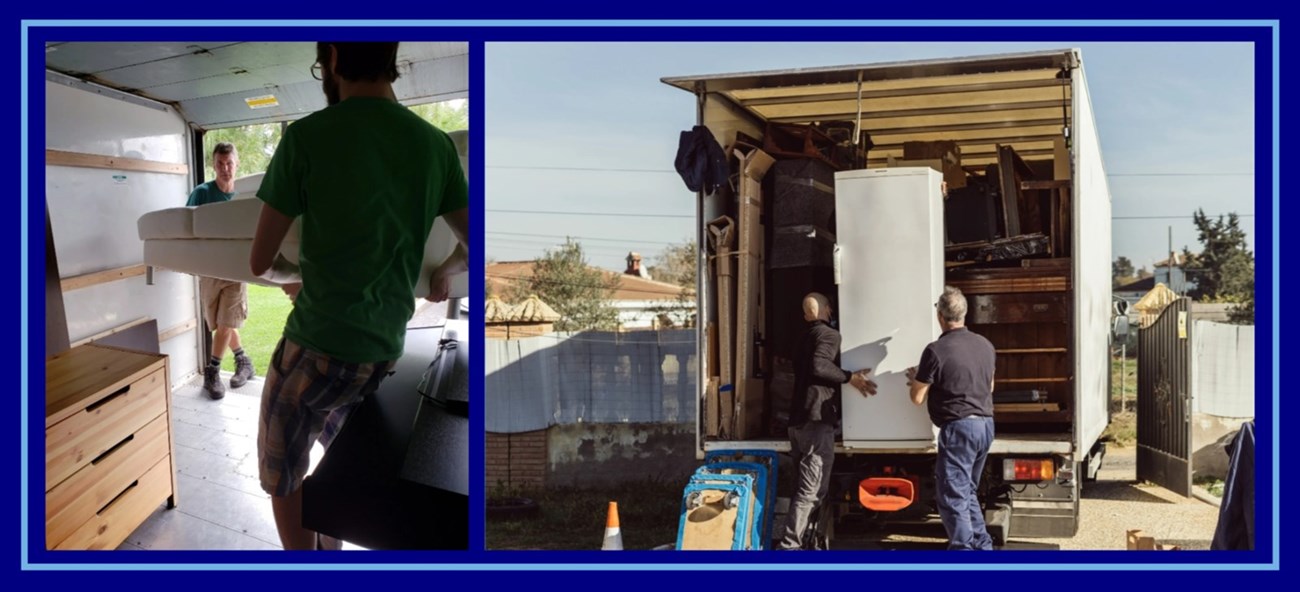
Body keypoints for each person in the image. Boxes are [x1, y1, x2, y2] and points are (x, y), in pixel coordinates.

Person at [248, 42, 469, 551]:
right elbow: (473, 243)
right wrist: (445, 271)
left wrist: (293, 277)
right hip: (381, 355)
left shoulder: (306, 138)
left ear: (334, 59)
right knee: (344, 448)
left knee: (281, 468)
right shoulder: (435, 146)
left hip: (313, 349)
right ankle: (331, 538)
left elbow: (261, 263)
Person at [775, 292, 876, 550]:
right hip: (815, 421)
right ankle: (790, 548)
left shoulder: (803, 337)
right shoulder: (829, 335)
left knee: (805, 487)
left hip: (797, 420)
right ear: (827, 310)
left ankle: (811, 543)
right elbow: (820, 366)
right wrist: (850, 377)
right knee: (812, 490)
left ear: (805, 313)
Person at [905, 285, 997, 550]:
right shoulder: (986, 345)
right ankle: (982, 547)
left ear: (940, 317)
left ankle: (962, 553)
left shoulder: (935, 350)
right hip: (986, 425)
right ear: (964, 314)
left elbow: (917, 398)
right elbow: (989, 387)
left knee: (952, 495)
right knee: (967, 490)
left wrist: (918, 380)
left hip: (959, 428)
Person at [186, 142, 255, 400]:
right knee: (217, 325)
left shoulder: (245, 196)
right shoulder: (202, 193)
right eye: (220, 164)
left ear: (237, 164)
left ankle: (212, 374)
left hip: (237, 269)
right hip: (209, 269)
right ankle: (243, 360)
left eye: (230, 163)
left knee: (226, 324)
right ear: (213, 165)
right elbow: (186, 227)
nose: (225, 169)